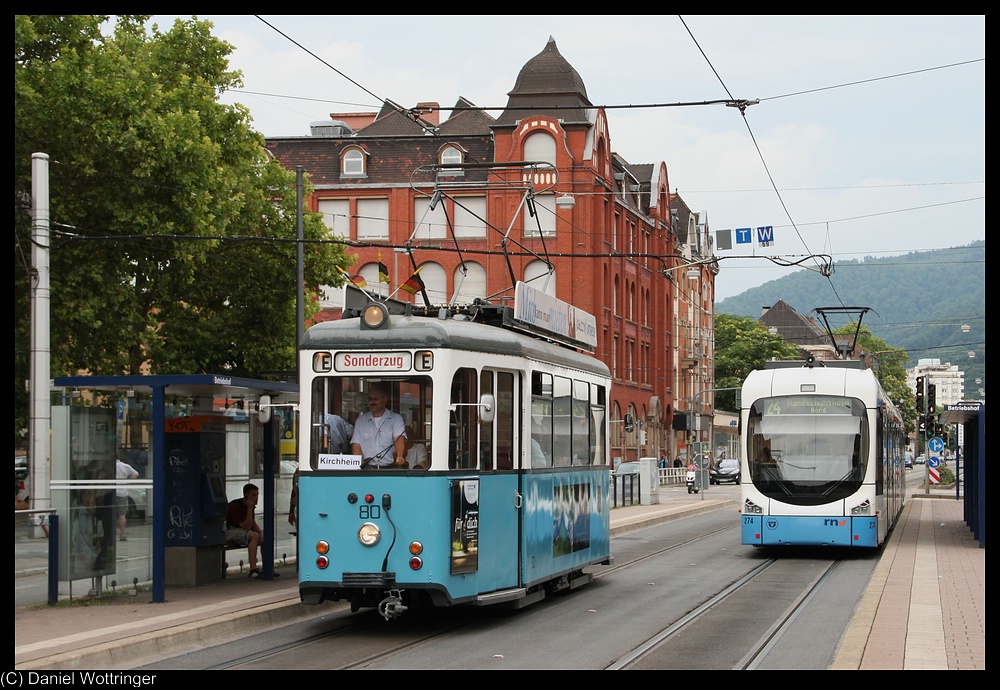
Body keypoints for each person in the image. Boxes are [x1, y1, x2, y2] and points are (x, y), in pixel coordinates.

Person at [351, 384, 406, 467]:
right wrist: (360, 464)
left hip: (389, 468)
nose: (372, 402)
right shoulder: (360, 420)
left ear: (384, 400)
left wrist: (399, 456)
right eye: (370, 399)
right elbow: (356, 445)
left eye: (376, 399)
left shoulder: (396, 419)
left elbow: (399, 439)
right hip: (367, 469)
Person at [226, 483, 265, 578]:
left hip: (241, 530)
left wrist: (261, 532)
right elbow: (246, 526)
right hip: (229, 531)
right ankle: (253, 568)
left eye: (257, 495)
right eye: (253, 495)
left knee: (264, 535)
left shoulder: (250, 507)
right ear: (246, 496)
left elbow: (252, 522)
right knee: (254, 536)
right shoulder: (235, 506)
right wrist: (249, 509)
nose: (256, 498)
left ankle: (267, 567)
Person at [115, 458, 139, 541]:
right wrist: (127, 482)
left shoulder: (109, 466)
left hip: (111, 491)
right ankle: (122, 535)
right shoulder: (124, 466)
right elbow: (136, 474)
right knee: (122, 514)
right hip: (122, 492)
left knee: (108, 513)